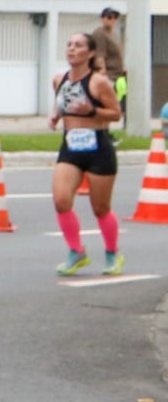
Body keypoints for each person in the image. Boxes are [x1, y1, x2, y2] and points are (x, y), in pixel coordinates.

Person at [49, 32, 125, 276]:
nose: (72, 49)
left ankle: (112, 253)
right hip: (71, 147)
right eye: (69, 44)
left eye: (78, 45)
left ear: (90, 53)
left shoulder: (98, 82)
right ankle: (76, 251)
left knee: (100, 208)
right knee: (61, 201)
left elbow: (115, 113)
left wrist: (92, 111)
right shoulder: (58, 79)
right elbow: (61, 103)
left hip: (98, 148)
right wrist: (55, 116)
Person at [89, 7, 127, 117]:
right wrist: (102, 73)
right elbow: (99, 55)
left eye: (115, 17)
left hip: (117, 75)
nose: (112, 20)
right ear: (103, 18)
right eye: (109, 17)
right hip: (108, 75)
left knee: (115, 102)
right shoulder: (100, 33)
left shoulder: (113, 34)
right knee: (104, 104)